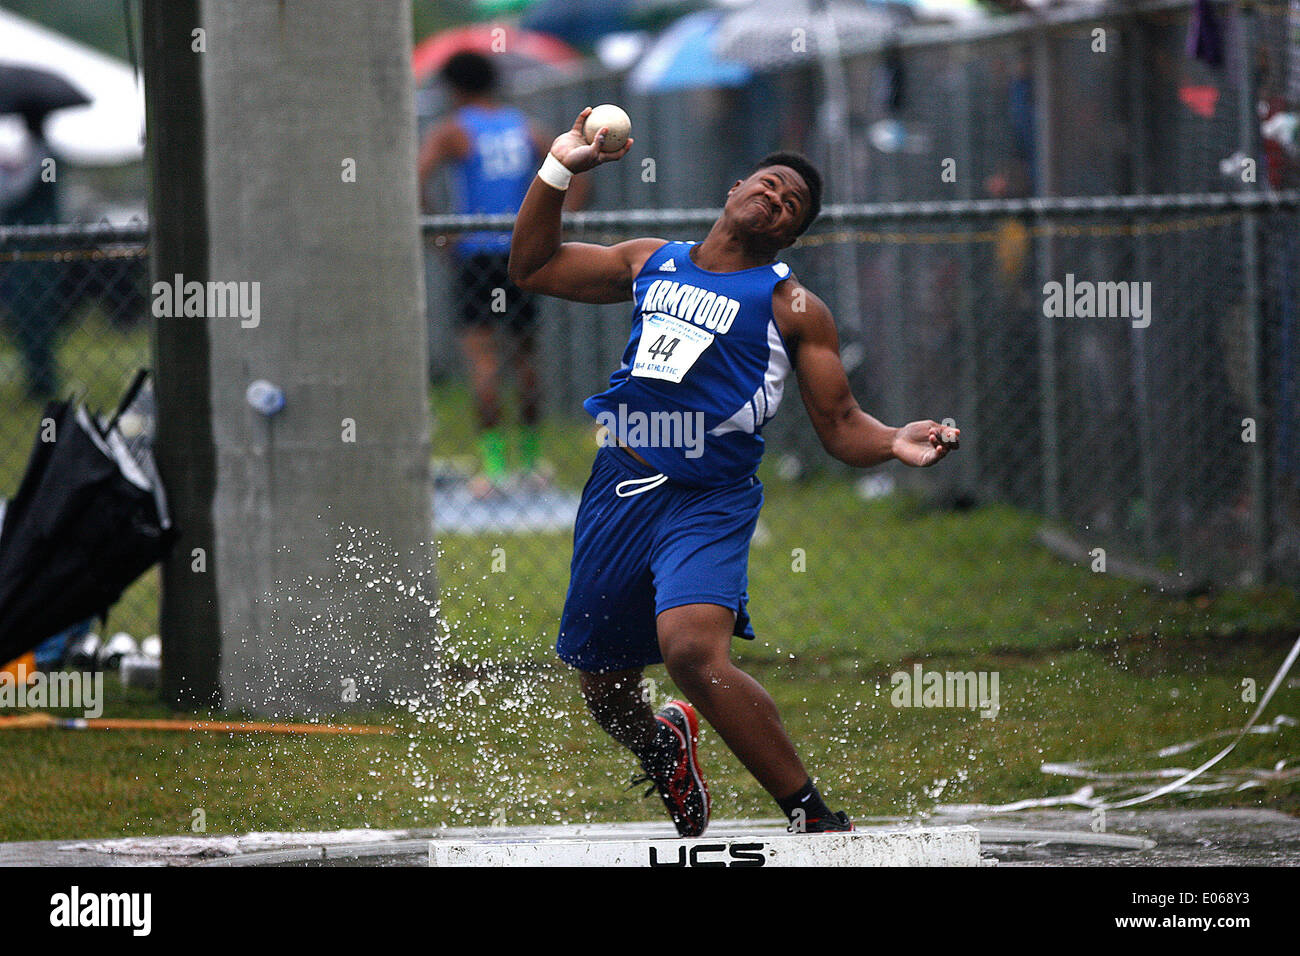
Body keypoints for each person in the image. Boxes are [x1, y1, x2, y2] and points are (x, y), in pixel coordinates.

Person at [508, 108, 961, 836]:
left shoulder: (795, 307)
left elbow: (843, 427)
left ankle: (812, 815)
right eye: (772, 185)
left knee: (691, 652)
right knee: (604, 689)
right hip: (620, 485)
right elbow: (530, 266)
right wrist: (560, 167)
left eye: (793, 207)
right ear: (734, 188)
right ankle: (664, 747)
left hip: (707, 497)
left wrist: (894, 442)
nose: (778, 200)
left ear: (789, 236)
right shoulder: (650, 259)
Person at [418, 52, 588, 495]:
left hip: (475, 254)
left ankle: (493, 471)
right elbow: (576, 170)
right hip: (521, 252)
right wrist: (557, 222)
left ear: (455, 88)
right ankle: (531, 465)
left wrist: (441, 238)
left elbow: (416, 178)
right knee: (526, 360)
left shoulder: (454, 130)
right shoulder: (524, 126)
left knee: (484, 360)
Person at [0, 111, 63, 400]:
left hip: (35, 252)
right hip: (30, 250)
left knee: (34, 316)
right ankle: (39, 381)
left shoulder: (44, 155)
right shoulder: (39, 155)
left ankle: (42, 384)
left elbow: (14, 192)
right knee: (29, 317)